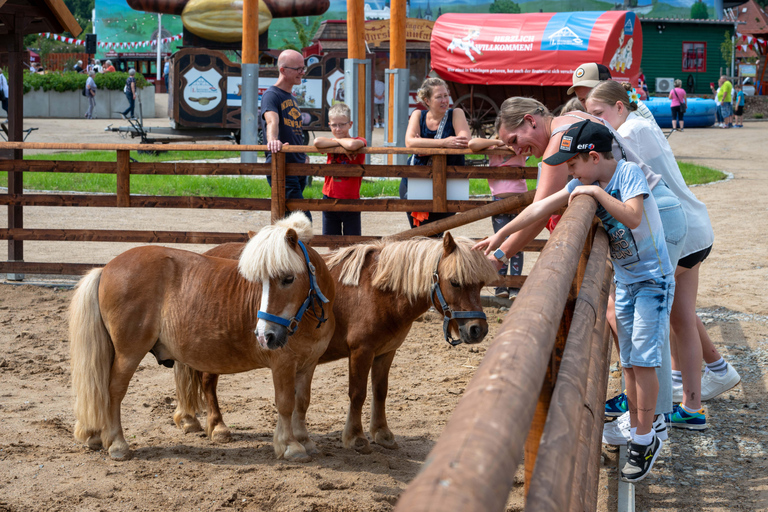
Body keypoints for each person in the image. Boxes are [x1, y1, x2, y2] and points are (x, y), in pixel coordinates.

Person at [475, 119, 674, 483]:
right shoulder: (585, 180)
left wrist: (596, 195)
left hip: (652, 281)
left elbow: (632, 215)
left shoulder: (625, 174)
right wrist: (500, 237)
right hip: (628, 282)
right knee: (629, 362)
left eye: (572, 164)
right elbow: (540, 208)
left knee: (643, 361)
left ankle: (646, 437)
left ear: (593, 157)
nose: (569, 172)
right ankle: (638, 430)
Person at [585, 80, 740, 433]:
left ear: (620, 107)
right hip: (693, 226)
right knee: (680, 315)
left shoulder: (627, 132)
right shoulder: (640, 123)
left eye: (598, 113)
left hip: (673, 229)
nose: (597, 121)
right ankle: (699, 395)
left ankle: (649, 409)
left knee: (653, 313)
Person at [401, 77, 470, 230]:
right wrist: (445, 143)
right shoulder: (418, 115)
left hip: (450, 181)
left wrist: (425, 146)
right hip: (415, 180)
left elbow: (464, 140)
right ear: (427, 100)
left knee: (437, 231)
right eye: (438, 97)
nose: (444, 100)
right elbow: (410, 142)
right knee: (418, 232)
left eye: (446, 95)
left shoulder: (456, 113)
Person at [468, 126, 526, 299]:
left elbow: (529, 148)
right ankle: (500, 286)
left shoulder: (519, 147)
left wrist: (509, 145)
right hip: (499, 203)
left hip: (519, 201)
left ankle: (515, 285)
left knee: (517, 243)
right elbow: (472, 143)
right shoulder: (492, 147)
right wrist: (497, 143)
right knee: (501, 242)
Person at [260, 49, 311, 221]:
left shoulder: (291, 97)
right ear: (283, 70)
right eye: (298, 69)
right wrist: (273, 140)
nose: (302, 72)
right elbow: (271, 120)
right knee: (303, 220)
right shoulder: (272, 95)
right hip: (283, 167)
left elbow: (294, 130)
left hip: (297, 166)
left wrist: (303, 153)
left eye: (303, 68)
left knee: (288, 219)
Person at [312, 102, 367, 236]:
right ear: (329, 125)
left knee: (352, 241)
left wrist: (337, 143)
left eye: (342, 124)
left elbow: (353, 144)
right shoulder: (331, 142)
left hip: (351, 198)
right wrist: (338, 142)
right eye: (334, 125)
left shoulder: (359, 140)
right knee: (330, 238)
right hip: (329, 196)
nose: (338, 129)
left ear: (350, 124)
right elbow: (316, 142)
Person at [567, 62, 655, 123]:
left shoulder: (628, 111)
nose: (587, 105)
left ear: (608, 84)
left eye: (592, 96)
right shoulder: (617, 107)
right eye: (582, 100)